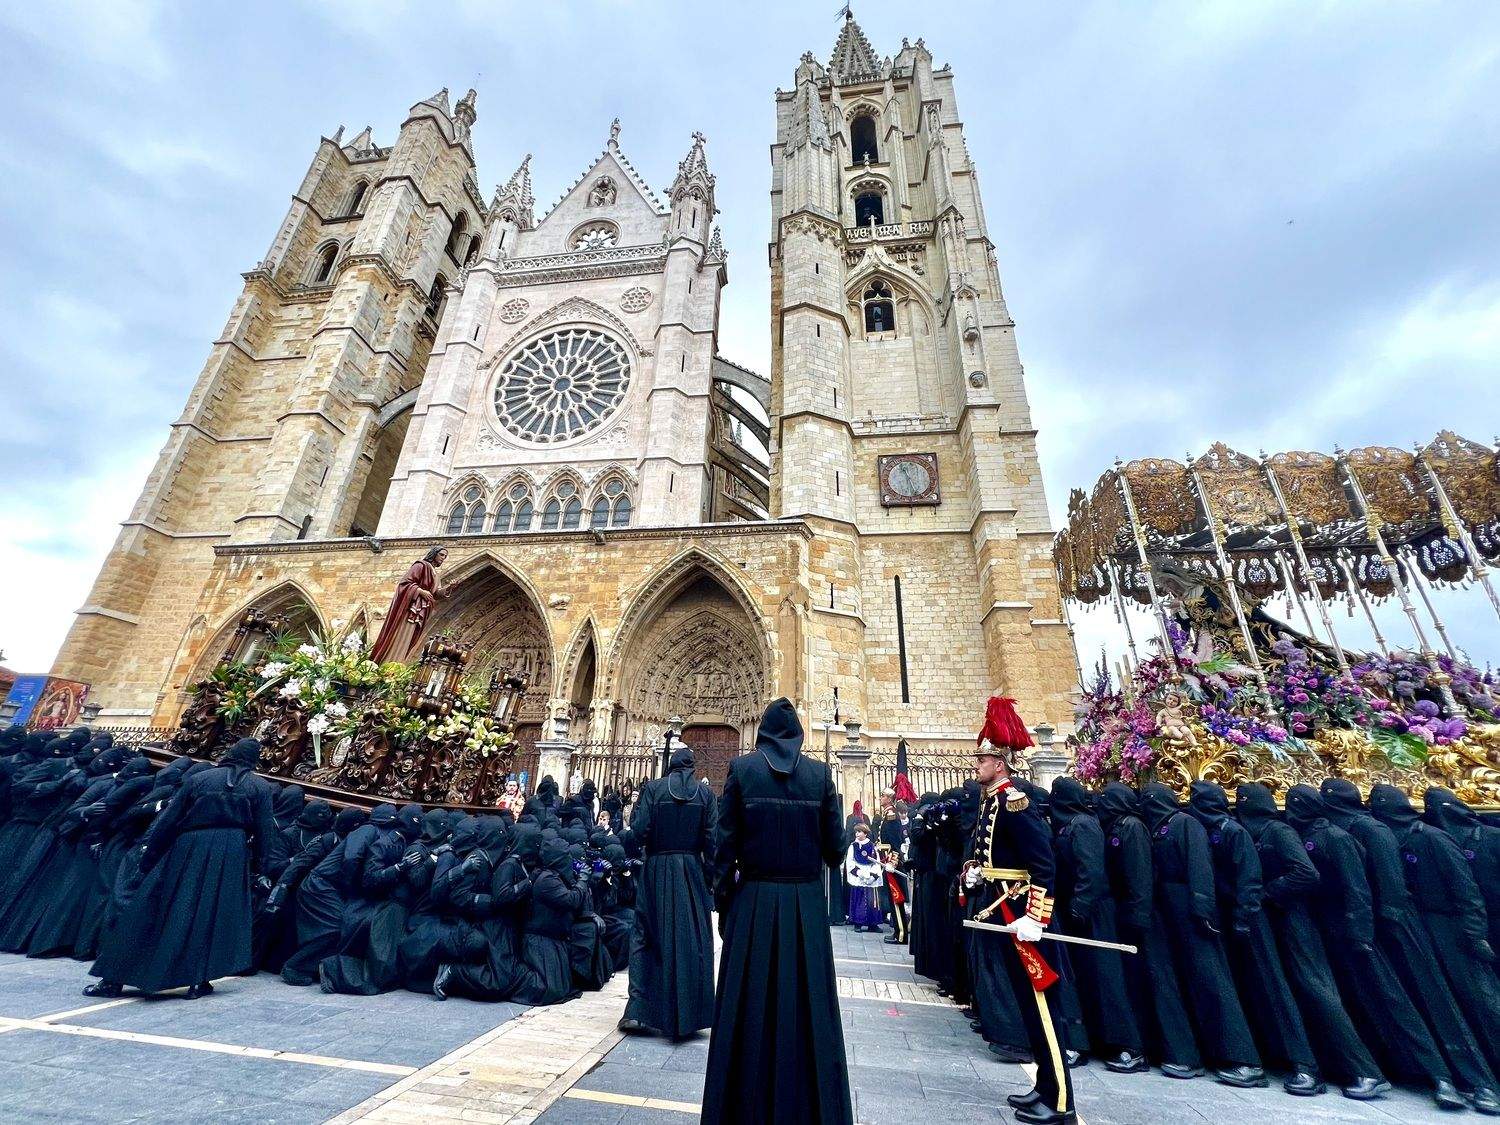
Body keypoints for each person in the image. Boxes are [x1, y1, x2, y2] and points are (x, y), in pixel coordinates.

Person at [703, 698, 851, 1125]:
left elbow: (723, 847)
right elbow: (837, 851)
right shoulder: (820, 775)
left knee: (746, 1010)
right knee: (808, 1009)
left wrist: (724, 903)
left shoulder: (742, 770)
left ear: (763, 732)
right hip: (805, 906)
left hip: (753, 903)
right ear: (800, 735)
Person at [1285, 785, 1468, 1111]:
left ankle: (1442, 1077)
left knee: (1396, 1002)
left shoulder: (1348, 835)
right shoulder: (1330, 832)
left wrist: (1363, 934)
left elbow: (1361, 888)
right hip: (1337, 930)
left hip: (1365, 934)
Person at [88, 738, 279, 998]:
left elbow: (169, 819)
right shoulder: (260, 787)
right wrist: (263, 867)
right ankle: (198, 980)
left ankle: (114, 979)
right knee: (214, 913)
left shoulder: (200, 779)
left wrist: (149, 858)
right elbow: (265, 831)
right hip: (231, 852)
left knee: (153, 906)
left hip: (189, 845)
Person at [958, 697, 1072, 1125]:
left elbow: (1043, 864)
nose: (977, 763)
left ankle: (1061, 1101)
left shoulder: (1017, 801)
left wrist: (1037, 917)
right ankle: (1044, 1087)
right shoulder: (994, 799)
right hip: (1001, 907)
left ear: (1001, 762)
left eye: (983, 758)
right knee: (1029, 1006)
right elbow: (992, 853)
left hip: (1021, 913)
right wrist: (974, 872)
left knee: (1043, 1008)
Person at [1233, 783, 1388, 1100]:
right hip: (1278, 919)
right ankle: (1311, 1065)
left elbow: (1306, 874)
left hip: (1295, 920)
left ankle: (1365, 1070)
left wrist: (1270, 891)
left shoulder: (1279, 832)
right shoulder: (1275, 830)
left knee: (1317, 991)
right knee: (1290, 991)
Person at [1186, 781, 1321, 1095]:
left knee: (1272, 987)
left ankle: (1304, 1066)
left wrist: (1246, 916)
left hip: (1250, 919)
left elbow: (1250, 879)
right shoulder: (1213, 830)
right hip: (1234, 919)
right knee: (1252, 990)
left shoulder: (1233, 831)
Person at [1368, 784, 1500, 1080]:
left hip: (1460, 927)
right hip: (1431, 925)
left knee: (1482, 997)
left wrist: (1475, 933)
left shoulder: (1437, 838)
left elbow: (1466, 890)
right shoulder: (1405, 837)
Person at [1095, 782, 1199, 1078]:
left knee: (1158, 983)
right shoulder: (1123, 826)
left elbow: (1140, 876)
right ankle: (1146, 1048)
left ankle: (1180, 1053)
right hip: (1130, 917)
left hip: (1142, 920)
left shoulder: (1132, 828)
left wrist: (1138, 916)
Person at [619, 746, 716, 1038]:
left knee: (645, 935)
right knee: (693, 938)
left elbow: (638, 830)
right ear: (692, 767)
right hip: (691, 871)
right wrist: (710, 879)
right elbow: (713, 841)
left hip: (656, 869)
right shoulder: (706, 794)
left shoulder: (653, 788)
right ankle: (690, 1012)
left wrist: (634, 850)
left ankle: (639, 1010)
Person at [1049, 777, 1145, 1074]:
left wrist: (1080, 904)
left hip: (1094, 913)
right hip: (1077, 912)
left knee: (1106, 977)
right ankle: (1087, 1040)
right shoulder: (1071, 824)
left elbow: (1090, 869)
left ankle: (1127, 1045)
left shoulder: (1084, 825)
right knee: (1085, 977)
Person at [369, 546, 448, 664]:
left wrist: (450, 587)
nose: (443, 558)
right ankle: (387, 662)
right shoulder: (420, 566)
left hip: (421, 611)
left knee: (408, 638)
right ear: (434, 553)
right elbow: (405, 583)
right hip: (410, 609)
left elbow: (436, 593)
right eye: (441, 555)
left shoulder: (435, 574)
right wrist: (421, 591)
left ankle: (396, 664)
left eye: (445, 556)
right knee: (400, 633)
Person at [844, 822, 884, 932]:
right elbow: (850, 862)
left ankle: (873, 924)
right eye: (856, 832)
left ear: (865, 833)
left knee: (873, 901)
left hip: (870, 877)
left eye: (859, 831)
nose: (857, 834)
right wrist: (860, 874)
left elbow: (876, 862)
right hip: (859, 877)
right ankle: (858, 923)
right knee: (858, 900)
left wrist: (873, 876)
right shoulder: (853, 846)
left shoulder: (872, 846)